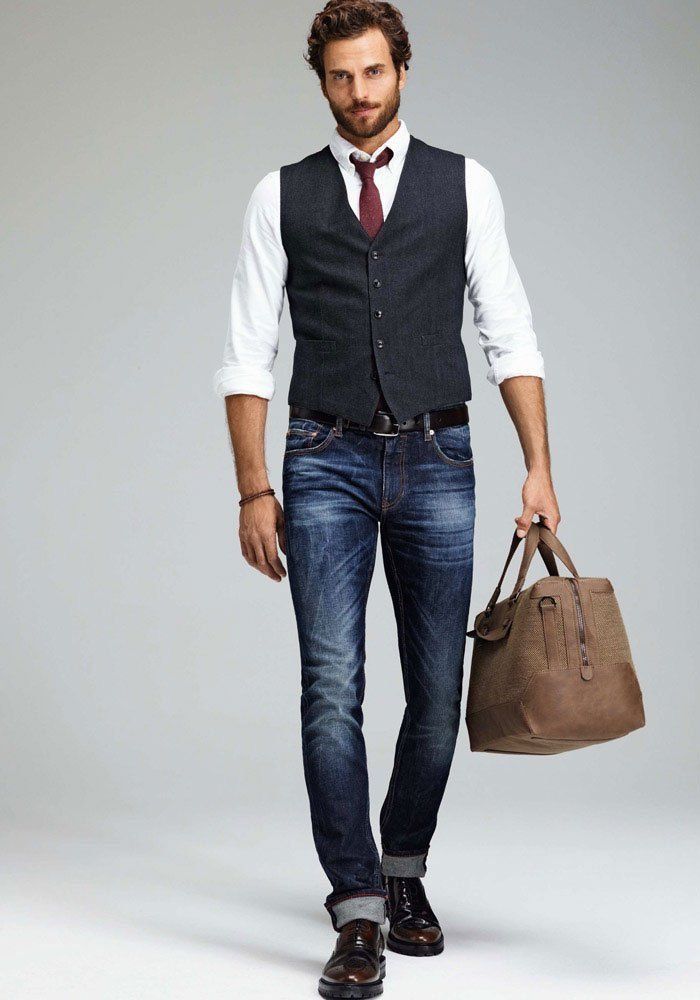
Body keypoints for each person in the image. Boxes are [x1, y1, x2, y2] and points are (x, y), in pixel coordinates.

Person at [213, 2, 560, 995]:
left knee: (438, 692)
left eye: (372, 72)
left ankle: (403, 864)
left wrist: (539, 466)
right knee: (331, 688)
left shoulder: (464, 184)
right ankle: (358, 908)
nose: (358, 93)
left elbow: (508, 329)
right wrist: (252, 487)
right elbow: (246, 352)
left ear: (402, 69)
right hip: (322, 457)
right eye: (340, 76)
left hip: (439, 454)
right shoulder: (279, 195)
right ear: (321, 83)